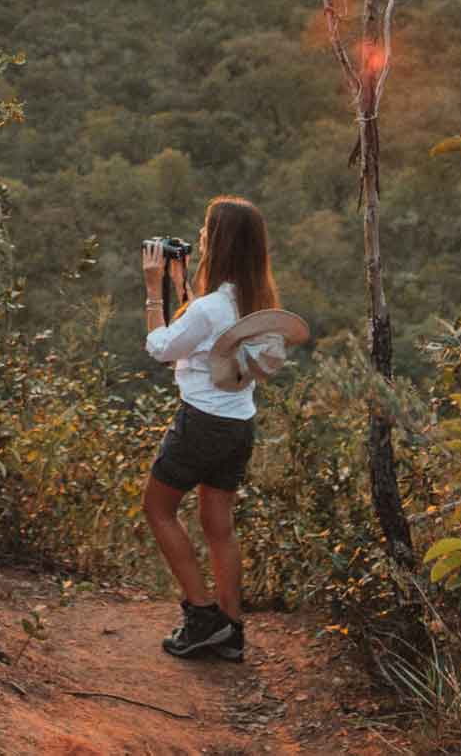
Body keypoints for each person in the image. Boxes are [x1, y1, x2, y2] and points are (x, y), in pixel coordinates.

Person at [140, 195, 280, 662]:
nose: (200, 239)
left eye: (205, 233)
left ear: (218, 243)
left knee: (158, 509)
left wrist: (152, 288)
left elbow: (161, 347)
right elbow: (212, 341)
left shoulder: (209, 310)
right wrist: (184, 293)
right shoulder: (257, 304)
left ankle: (201, 616)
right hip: (238, 426)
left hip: (199, 424)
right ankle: (231, 628)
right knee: (219, 526)